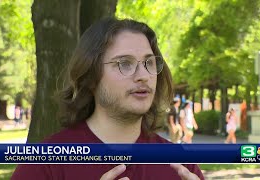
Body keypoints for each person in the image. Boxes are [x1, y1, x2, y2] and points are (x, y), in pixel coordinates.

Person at [12, 18, 204, 180]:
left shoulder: (181, 166)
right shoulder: (45, 164)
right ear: (91, 77)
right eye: (125, 64)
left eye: (149, 62)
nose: (143, 75)